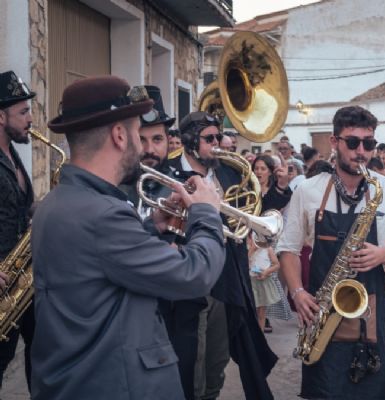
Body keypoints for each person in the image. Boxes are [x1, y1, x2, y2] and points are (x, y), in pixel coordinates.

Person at [30, 75, 226, 399]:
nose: (141, 142)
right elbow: (195, 274)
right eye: (137, 131)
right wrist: (206, 212)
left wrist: (153, 228)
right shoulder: (104, 214)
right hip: (116, 384)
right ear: (120, 135)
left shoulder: (55, 201)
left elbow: (98, 262)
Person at [278, 105, 385, 399]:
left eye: (369, 143)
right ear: (334, 142)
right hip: (320, 313)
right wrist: (298, 292)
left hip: (371, 316)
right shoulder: (308, 189)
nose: (361, 151)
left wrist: (383, 255)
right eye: (352, 142)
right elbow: (288, 249)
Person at [170, 111, 278, 400]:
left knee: (217, 361)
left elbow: (248, 214)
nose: (218, 143)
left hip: (226, 277)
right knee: (191, 359)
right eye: (210, 138)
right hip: (188, 279)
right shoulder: (169, 173)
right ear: (190, 141)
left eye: (219, 136)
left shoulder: (230, 172)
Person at [0, 70, 36, 391]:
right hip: (2, 286)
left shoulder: (14, 157)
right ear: (1, 116)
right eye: (23, 112)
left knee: (42, 360)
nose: (31, 119)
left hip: (23, 284)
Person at [120, 85, 175, 217]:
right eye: (141, 139)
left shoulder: (184, 185)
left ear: (168, 140)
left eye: (157, 139)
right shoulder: (112, 188)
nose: (149, 150)